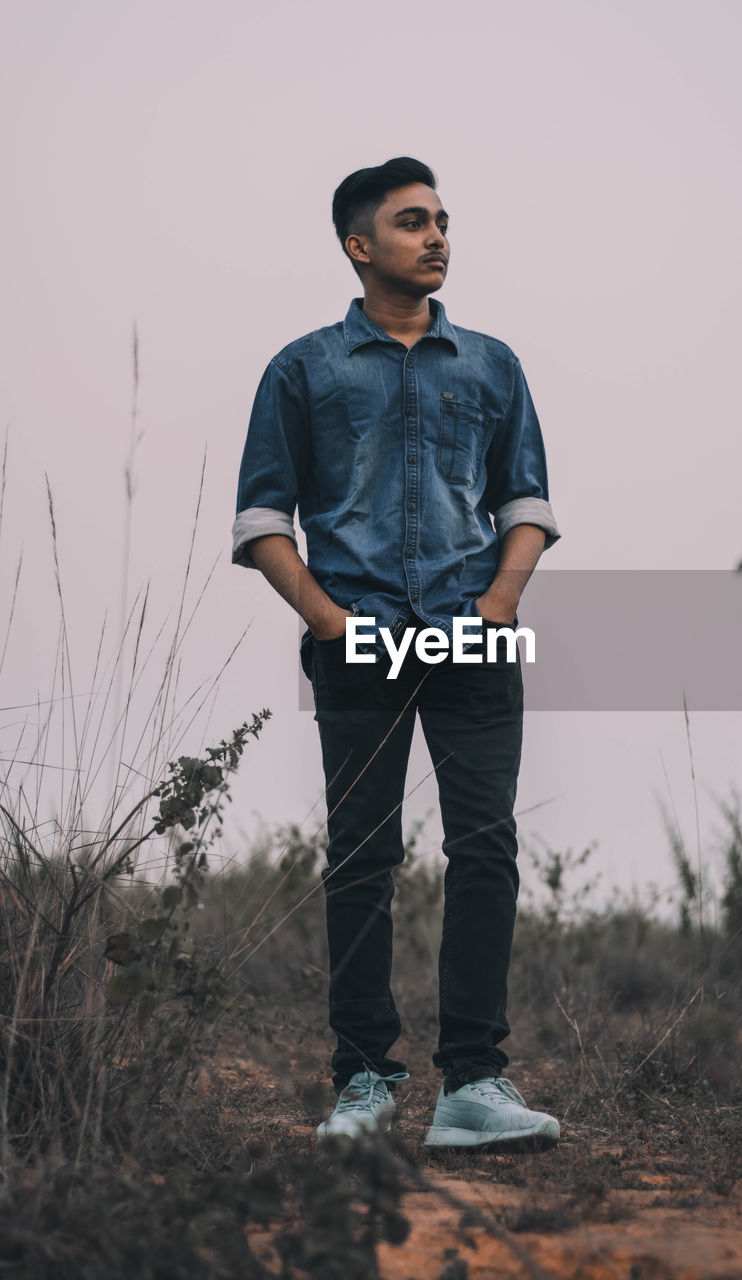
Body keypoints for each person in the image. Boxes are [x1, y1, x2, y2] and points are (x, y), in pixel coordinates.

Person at [232, 157, 561, 1151]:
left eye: (443, 220)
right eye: (413, 222)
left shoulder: (491, 364)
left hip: (472, 633)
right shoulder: (304, 367)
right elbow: (260, 518)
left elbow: (527, 503)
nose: (437, 236)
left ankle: (473, 1084)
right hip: (359, 637)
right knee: (361, 859)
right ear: (358, 245)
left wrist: (499, 602)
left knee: (485, 849)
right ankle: (364, 1083)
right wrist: (330, 621)